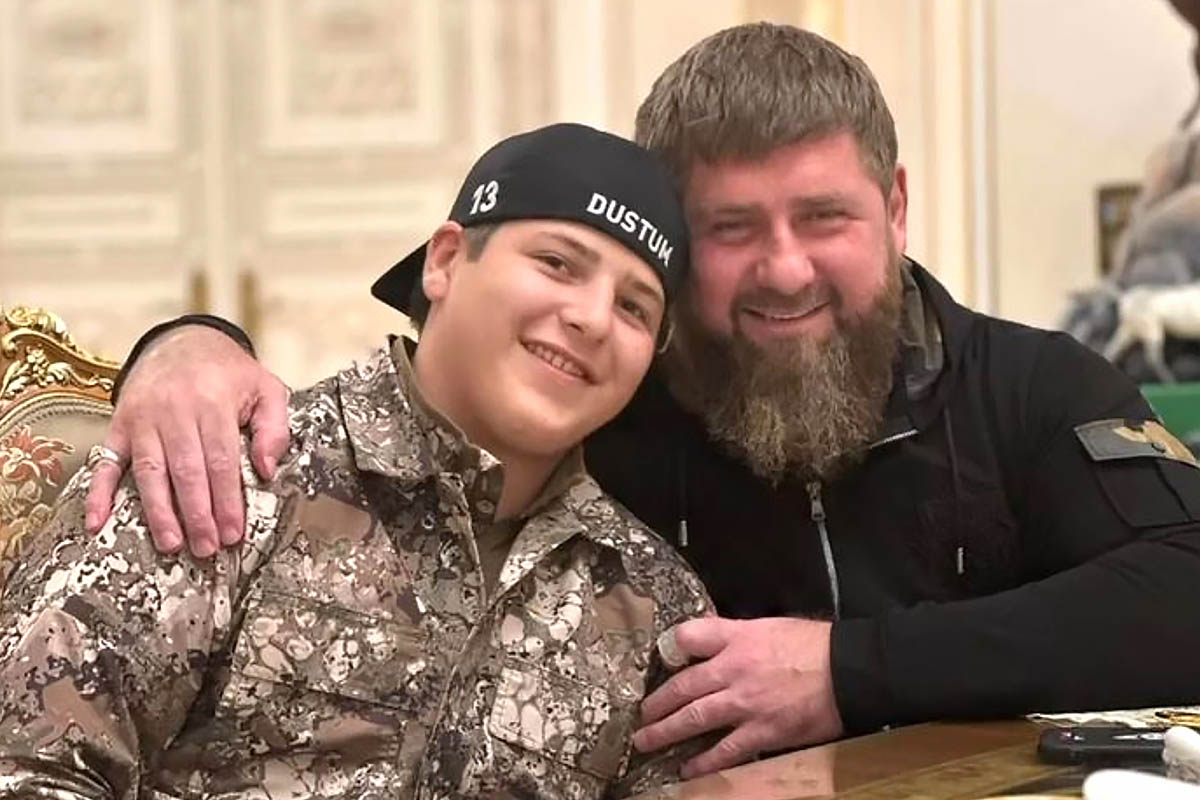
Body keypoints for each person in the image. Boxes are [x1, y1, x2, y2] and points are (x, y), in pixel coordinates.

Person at [87, 22, 1200, 781]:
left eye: (824, 217)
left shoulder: (1030, 385)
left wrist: (847, 668)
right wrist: (188, 345)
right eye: (731, 230)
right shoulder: (606, 399)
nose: (785, 268)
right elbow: (425, 399)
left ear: (896, 206)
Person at [0, 123, 715, 800]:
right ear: (444, 262)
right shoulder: (228, 475)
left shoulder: (654, 605)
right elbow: (26, 770)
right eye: (557, 264)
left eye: (635, 307)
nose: (592, 317)